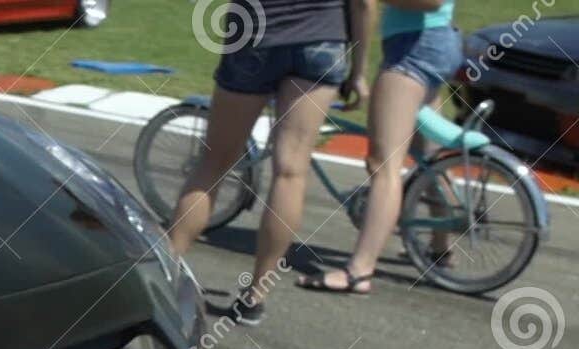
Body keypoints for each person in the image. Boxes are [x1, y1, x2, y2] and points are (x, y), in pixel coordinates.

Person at [168, 0, 374, 325]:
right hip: (322, 37)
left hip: (255, 33)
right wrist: (360, 71)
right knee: (291, 173)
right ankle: (255, 296)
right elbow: (363, 3)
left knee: (214, 163)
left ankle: (165, 272)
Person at [298, 1, 461, 294]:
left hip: (414, 49)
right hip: (437, 41)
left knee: (384, 166)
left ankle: (359, 271)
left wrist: (357, 72)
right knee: (429, 157)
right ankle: (440, 249)